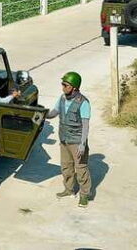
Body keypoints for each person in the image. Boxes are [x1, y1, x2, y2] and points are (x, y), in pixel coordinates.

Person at [45, 71, 92, 208]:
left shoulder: (83, 103)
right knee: (66, 167)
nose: (63, 87)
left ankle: (84, 195)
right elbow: (54, 112)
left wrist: (83, 144)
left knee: (81, 169)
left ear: (74, 87)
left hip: (77, 142)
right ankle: (69, 189)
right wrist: (43, 114)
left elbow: (85, 125)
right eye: (62, 84)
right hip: (64, 139)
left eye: (65, 85)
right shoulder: (62, 99)